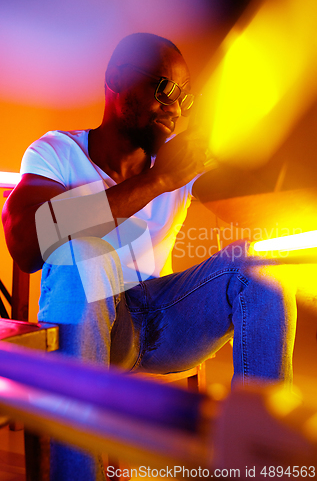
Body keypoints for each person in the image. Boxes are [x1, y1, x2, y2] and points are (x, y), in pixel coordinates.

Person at [2, 33, 297, 481]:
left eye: (185, 97)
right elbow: (26, 243)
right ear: (119, 80)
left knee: (261, 269)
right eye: (165, 90)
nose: (175, 108)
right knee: (82, 249)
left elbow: (255, 214)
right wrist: (158, 182)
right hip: (92, 327)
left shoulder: (176, 160)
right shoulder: (59, 151)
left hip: (166, 324)